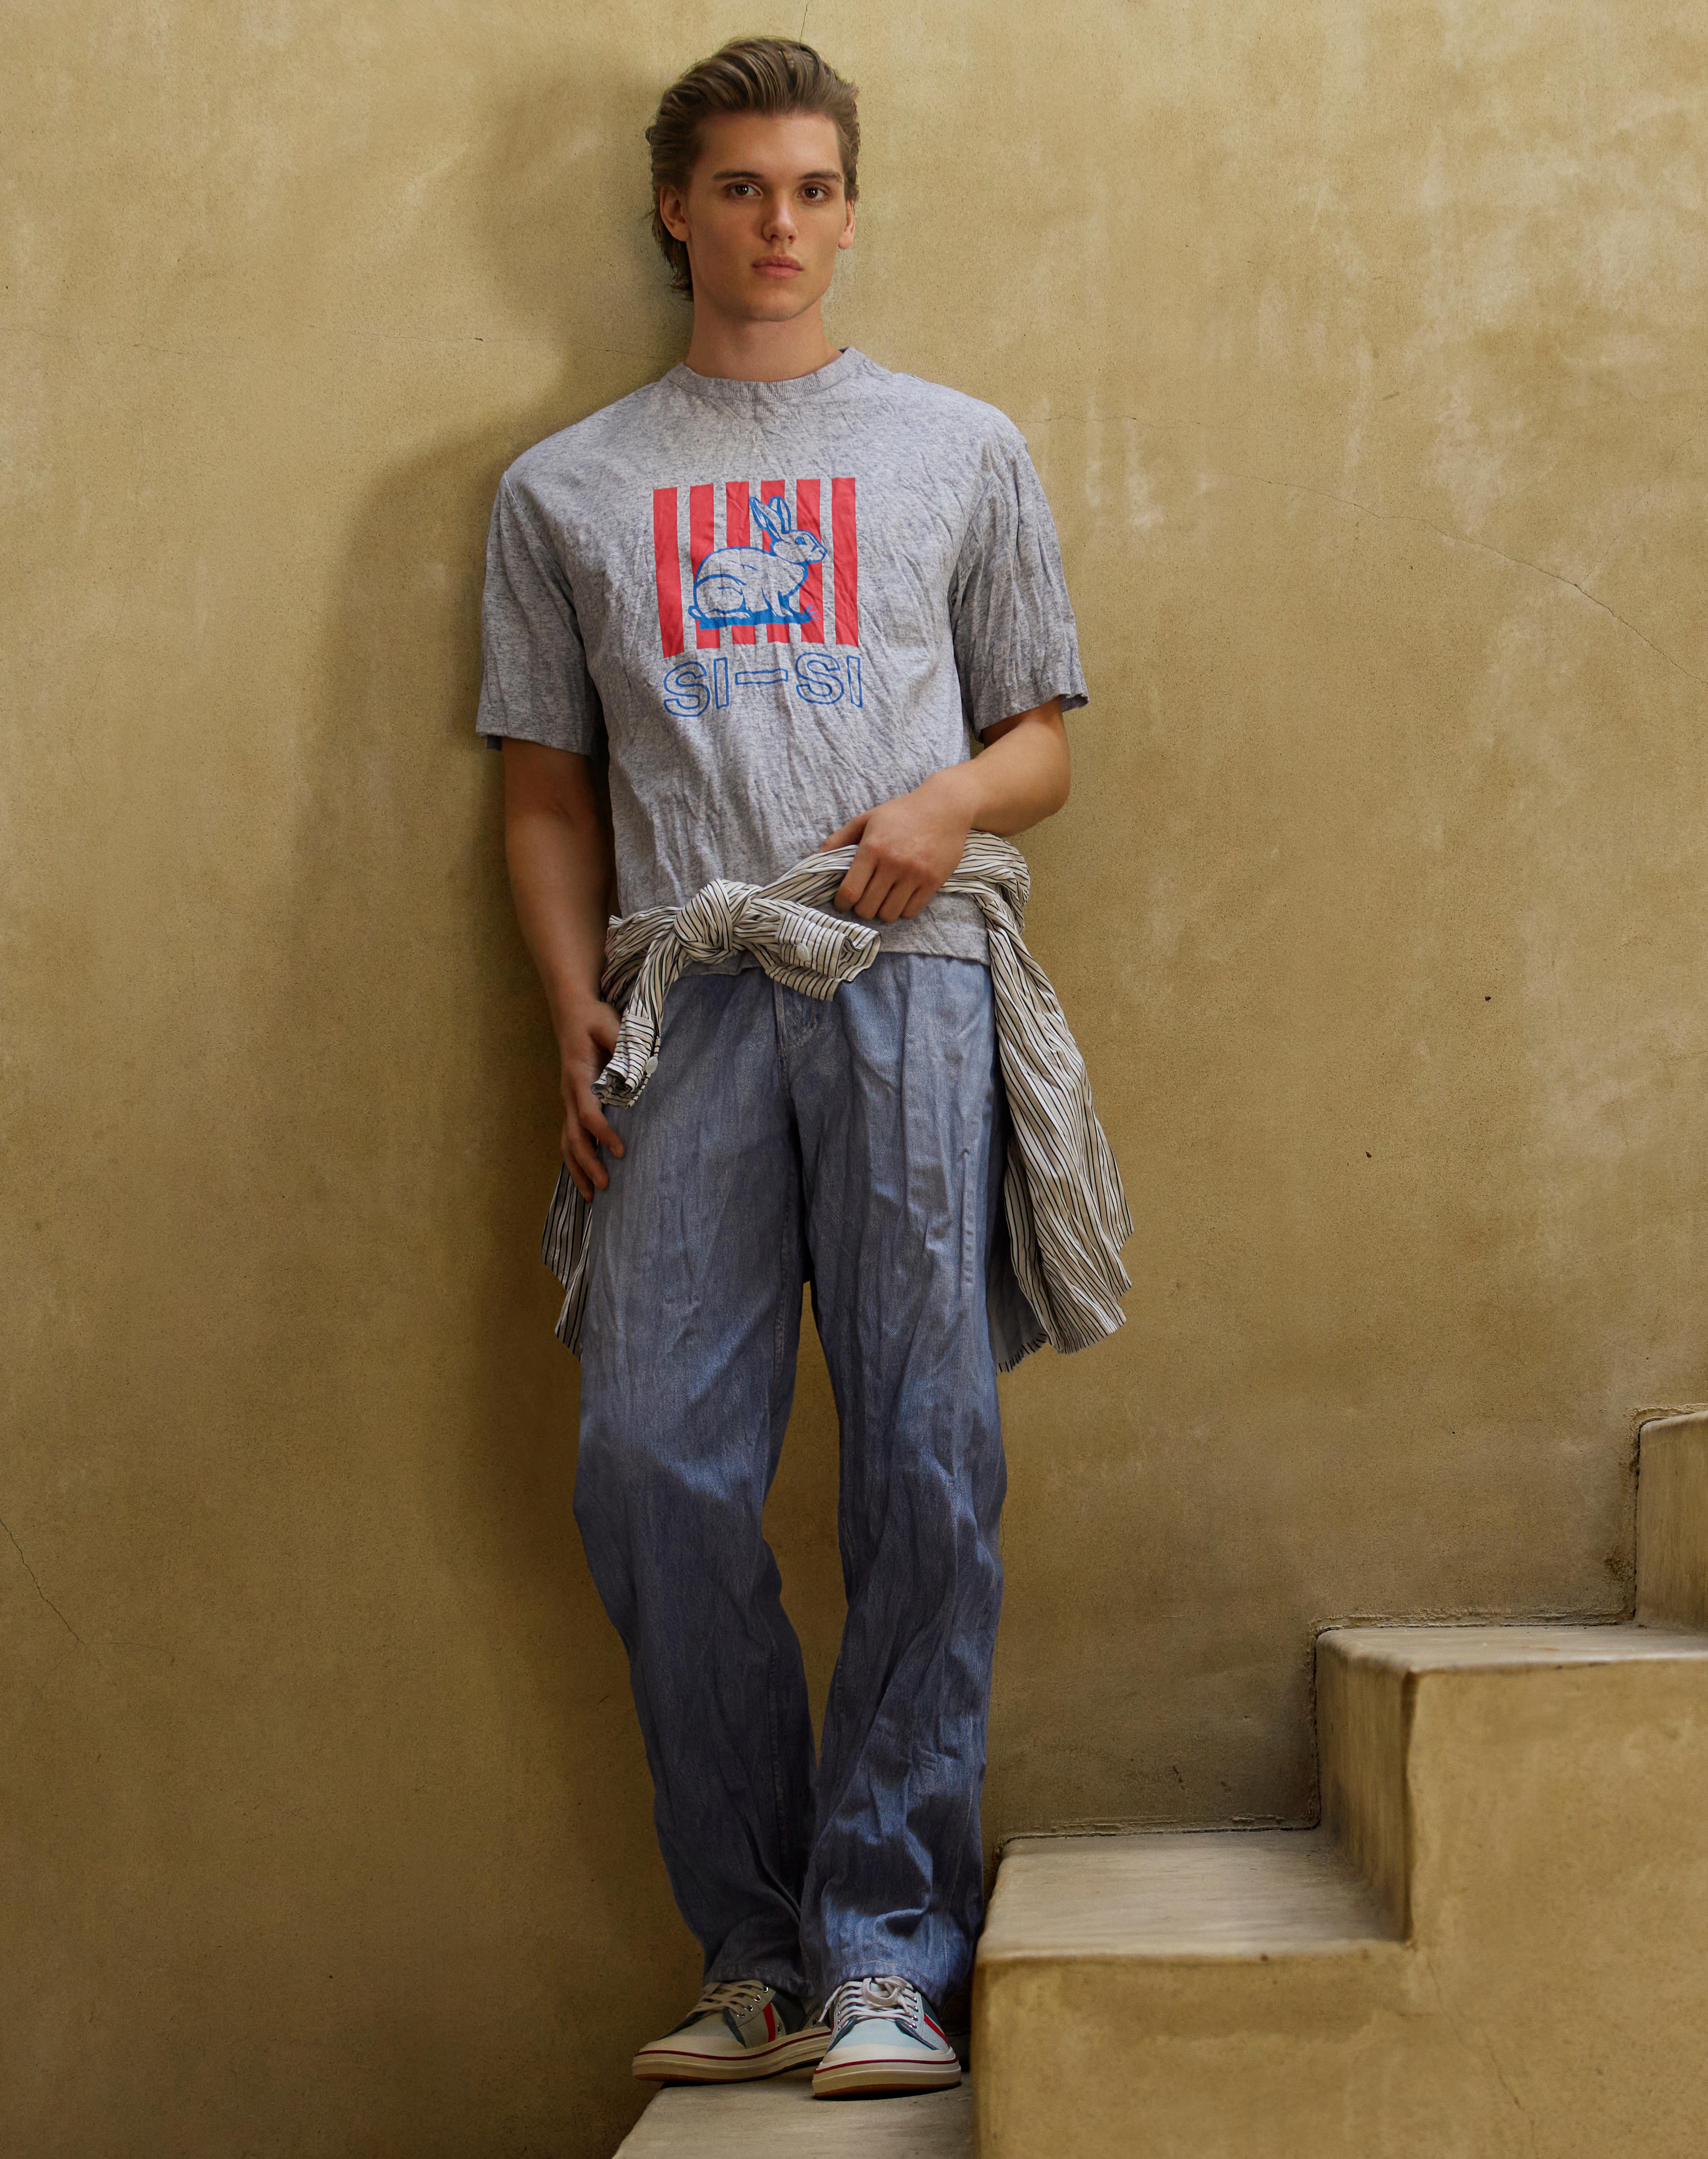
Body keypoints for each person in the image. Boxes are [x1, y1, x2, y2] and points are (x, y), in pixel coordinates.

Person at [478, 35, 1118, 2101]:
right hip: (689, 994)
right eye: (743, 186)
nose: (780, 223)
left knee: (928, 1453)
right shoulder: (566, 489)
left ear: (852, 208)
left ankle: (887, 1952)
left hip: (912, 980)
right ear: (676, 207)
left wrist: (944, 805)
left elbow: (1042, 738)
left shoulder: (960, 448)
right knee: (650, 1460)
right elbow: (547, 790)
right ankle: (755, 1951)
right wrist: (568, 1005)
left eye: (815, 187)